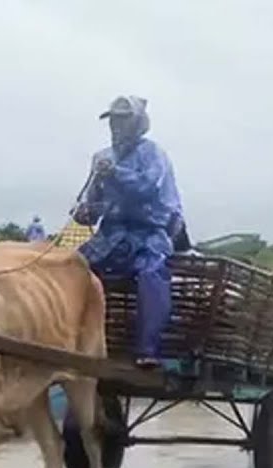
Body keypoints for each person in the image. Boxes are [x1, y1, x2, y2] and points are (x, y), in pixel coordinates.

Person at [72, 95, 188, 368]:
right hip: (110, 236)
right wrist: (86, 211)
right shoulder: (101, 158)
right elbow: (93, 202)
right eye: (113, 119)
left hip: (149, 233)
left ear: (137, 123)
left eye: (123, 119)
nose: (116, 125)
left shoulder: (153, 155)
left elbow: (146, 188)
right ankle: (70, 335)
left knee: (151, 273)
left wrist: (115, 173)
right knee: (72, 266)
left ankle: (147, 348)